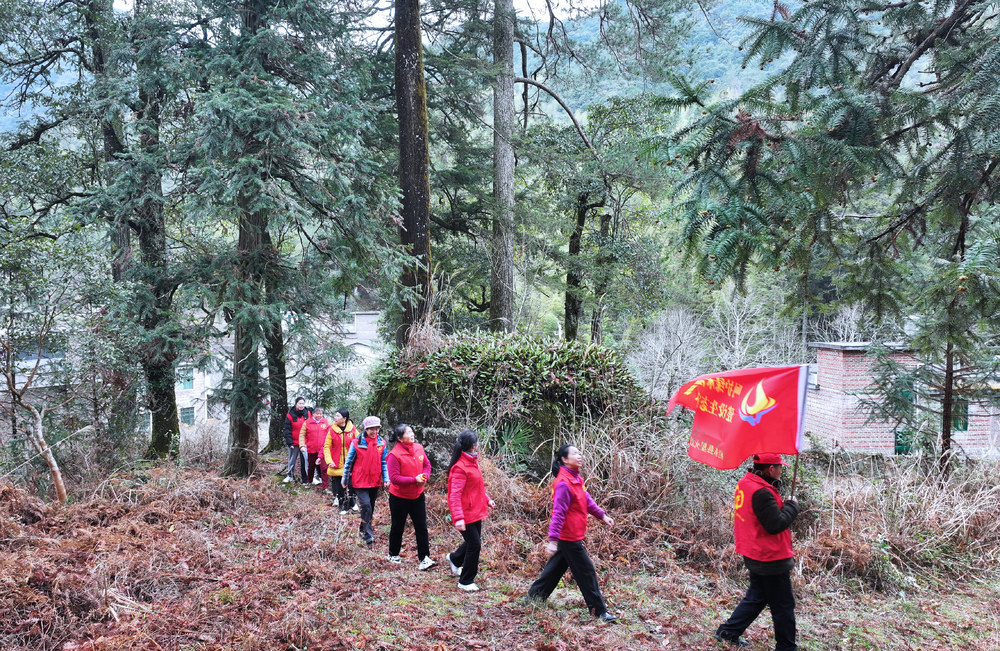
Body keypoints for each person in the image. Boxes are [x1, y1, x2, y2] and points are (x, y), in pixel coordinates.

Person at [714, 453, 800, 650]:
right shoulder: (762, 492)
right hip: (770, 557)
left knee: (757, 597)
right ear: (771, 469)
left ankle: (728, 632)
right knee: (783, 605)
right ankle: (786, 647)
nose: (781, 470)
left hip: (754, 552)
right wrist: (792, 506)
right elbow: (776, 524)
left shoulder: (746, 483)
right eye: (780, 467)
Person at [526, 444, 617, 622]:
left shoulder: (575, 479)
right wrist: (553, 540)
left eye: (579, 452)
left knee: (554, 570)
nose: (579, 456)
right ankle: (599, 612)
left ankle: (534, 597)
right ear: (565, 460)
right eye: (575, 454)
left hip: (572, 534)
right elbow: (558, 513)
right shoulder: (563, 483)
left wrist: (602, 515)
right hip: (568, 537)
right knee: (587, 572)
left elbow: (586, 500)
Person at [445, 429, 494, 592]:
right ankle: (465, 580)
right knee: (475, 545)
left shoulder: (472, 461)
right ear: (473, 446)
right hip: (465, 513)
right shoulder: (460, 468)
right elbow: (454, 495)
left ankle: (455, 559)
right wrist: (458, 517)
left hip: (475, 510)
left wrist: (487, 499)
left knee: (473, 541)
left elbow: (476, 487)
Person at [386, 423, 437, 571]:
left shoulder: (419, 448)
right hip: (399, 497)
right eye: (408, 433)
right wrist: (414, 480)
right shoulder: (394, 455)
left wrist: (425, 476)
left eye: (411, 431)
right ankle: (393, 554)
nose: (412, 434)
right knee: (398, 526)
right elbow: (394, 478)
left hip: (417, 495)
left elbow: (427, 465)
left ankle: (424, 558)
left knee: (421, 527)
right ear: (400, 438)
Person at [341, 416, 389, 544]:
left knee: (370, 507)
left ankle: (364, 529)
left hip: (374, 480)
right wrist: (345, 479)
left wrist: (386, 478)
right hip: (360, 480)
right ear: (366, 429)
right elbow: (348, 462)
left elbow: (384, 462)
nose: (374, 431)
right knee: (366, 505)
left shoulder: (381, 443)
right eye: (371, 429)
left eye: (377, 429)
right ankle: (367, 534)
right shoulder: (357, 443)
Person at [324, 408, 358, 513]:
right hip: (336, 463)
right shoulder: (331, 430)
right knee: (339, 487)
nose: (335, 417)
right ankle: (342, 505)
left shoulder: (353, 430)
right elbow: (326, 447)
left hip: (350, 464)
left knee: (352, 485)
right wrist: (329, 461)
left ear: (344, 418)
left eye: (338, 416)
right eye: (335, 415)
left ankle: (352, 501)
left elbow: (359, 444)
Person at [300, 407, 332, 488]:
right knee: (311, 467)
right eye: (317, 413)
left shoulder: (326, 422)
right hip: (311, 448)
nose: (319, 415)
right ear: (313, 414)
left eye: (321, 414)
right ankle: (309, 481)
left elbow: (331, 433)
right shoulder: (307, 422)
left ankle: (325, 487)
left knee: (324, 468)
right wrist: (302, 445)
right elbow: (302, 434)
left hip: (323, 449)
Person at [281, 397, 310, 484]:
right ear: (296, 404)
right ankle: (289, 475)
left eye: (303, 403)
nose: (301, 405)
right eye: (299, 403)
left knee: (307, 459)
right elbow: (287, 430)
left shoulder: (308, 413)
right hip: (294, 442)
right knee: (292, 460)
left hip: (305, 442)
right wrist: (290, 443)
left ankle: (310, 477)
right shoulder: (290, 415)